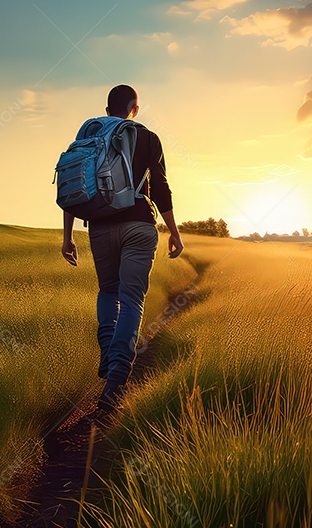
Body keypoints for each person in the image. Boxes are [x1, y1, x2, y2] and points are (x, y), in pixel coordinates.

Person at [61, 84, 184, 415]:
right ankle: (116, 379)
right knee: (131, 299)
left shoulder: (89, 133)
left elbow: (74, 184)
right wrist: (174, 233)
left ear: (106, 110)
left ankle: (107, 351)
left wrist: (68, 236)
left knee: (108, 292)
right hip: (139, 226)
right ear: (135, 109)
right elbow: (160, 188)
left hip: (99, 228)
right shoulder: (147, 136)